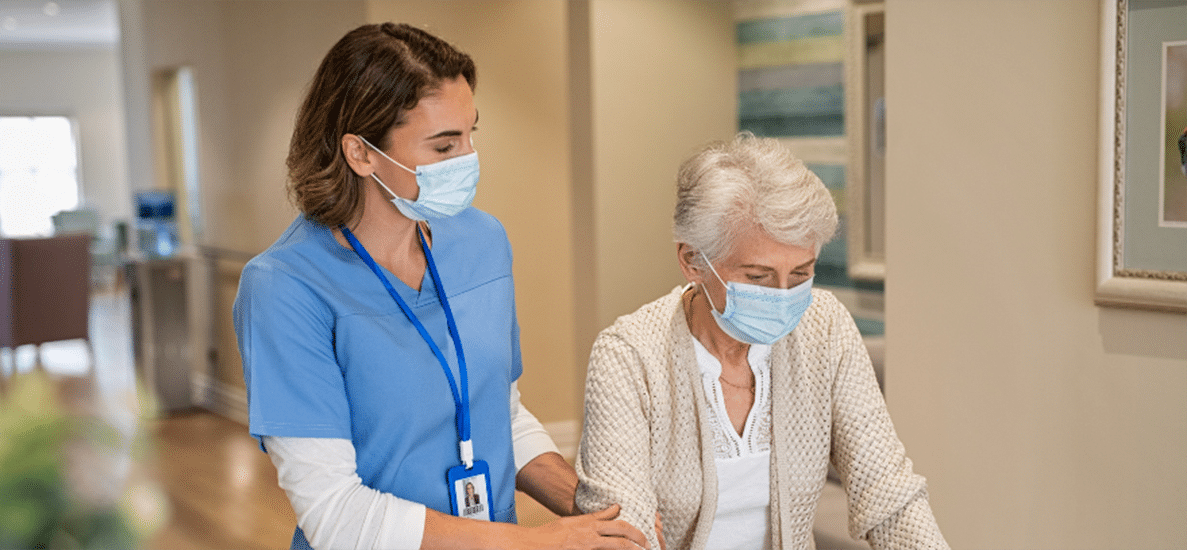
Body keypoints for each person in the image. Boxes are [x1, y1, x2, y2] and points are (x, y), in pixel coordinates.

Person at [233, 23, 647, 550]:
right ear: (360, 154)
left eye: (472, 134)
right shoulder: (285, 289)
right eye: (444, 144)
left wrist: (594, 509)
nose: (468, 159)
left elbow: (501, 413)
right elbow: (336, 515)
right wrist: (545, 543)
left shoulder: (482, 240)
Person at [574, 133, 948, 550]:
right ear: (692, 260)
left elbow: (887, 492)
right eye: (758, 277)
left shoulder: (825, 328)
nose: (784, 295)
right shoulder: (629, 356)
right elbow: (622, 533)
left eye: (802, 273)